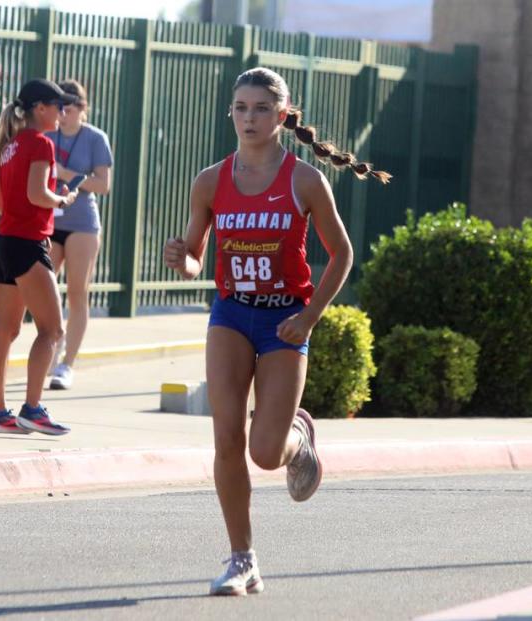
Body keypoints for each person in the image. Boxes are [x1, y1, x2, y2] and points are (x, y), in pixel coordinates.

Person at [162, 67, 390, 596]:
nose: (249, 118)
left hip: (284, 318)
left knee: (265, 453)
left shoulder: (304, 180)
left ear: (283, 117)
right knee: (225, 437)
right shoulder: (210, 180)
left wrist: (309, 316)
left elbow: (343, 255)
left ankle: (299, 436)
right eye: (240, 108)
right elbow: (196, 259)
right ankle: (242, 558)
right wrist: (182, 259)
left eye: (261, 109)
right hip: (230, 314)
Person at [0, 79, 78, 436]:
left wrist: (39, 200)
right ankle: (32, 409)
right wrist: (61, 200)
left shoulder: (9, 145)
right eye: (59, 105)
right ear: (41, 108)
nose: (63, 112)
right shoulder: (40, 143)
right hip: (28, 241)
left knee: (5, 331)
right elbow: (38, 195)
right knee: (52, 329)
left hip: (5, 240)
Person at [44, 79, 114, 390]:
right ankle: (51, 344)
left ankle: (67, 363)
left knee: (76, 291)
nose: (63, 115)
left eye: (68, 109)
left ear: (82, 110)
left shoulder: (95, 138)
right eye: (59, 109)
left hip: (82, 221)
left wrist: (68, 175)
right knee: (46, 289)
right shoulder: (47, 133)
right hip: (50, 217)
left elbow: (102, 185)